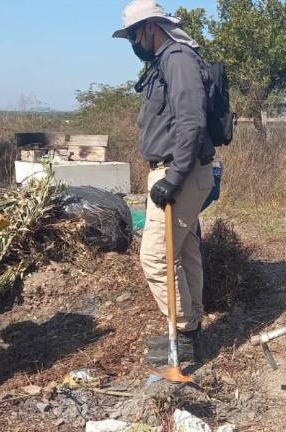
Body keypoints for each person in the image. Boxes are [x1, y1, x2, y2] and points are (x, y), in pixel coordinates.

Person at [112, 0, 215, 365]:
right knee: (184, 254)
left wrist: (173, 177)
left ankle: (183, 336)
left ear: (151, 28)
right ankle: (191, 330)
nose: (132, 43)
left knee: (156, 256)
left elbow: (191, 121)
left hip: (181, 172)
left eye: (133, 35)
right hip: (179, 170)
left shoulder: (177, 59)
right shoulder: (165, 61)